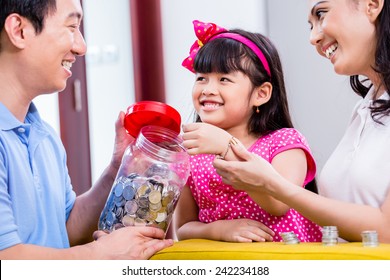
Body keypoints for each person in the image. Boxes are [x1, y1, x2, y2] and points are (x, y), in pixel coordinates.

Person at [0, 0, 173, 259]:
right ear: (19, 30)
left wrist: (117, 170)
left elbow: (66, 229)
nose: (81, 47)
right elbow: (7, 257)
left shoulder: (43, 135)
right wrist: (98, 255)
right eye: (71, 27)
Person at [213, 0, 390, 243]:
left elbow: (385, 229)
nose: (313, 38)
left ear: (372, 4)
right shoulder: (364, 110)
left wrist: (274, 186)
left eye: (321, 13)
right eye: (310, 25)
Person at [175, 20, 323, 243]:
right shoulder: (190, 151)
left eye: (224, 79)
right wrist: (219, 230)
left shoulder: (285, 143)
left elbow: (279, 203)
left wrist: (227, 146)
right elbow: (184, 227)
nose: (208, 89)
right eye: (201, 78)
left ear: (261, 94)